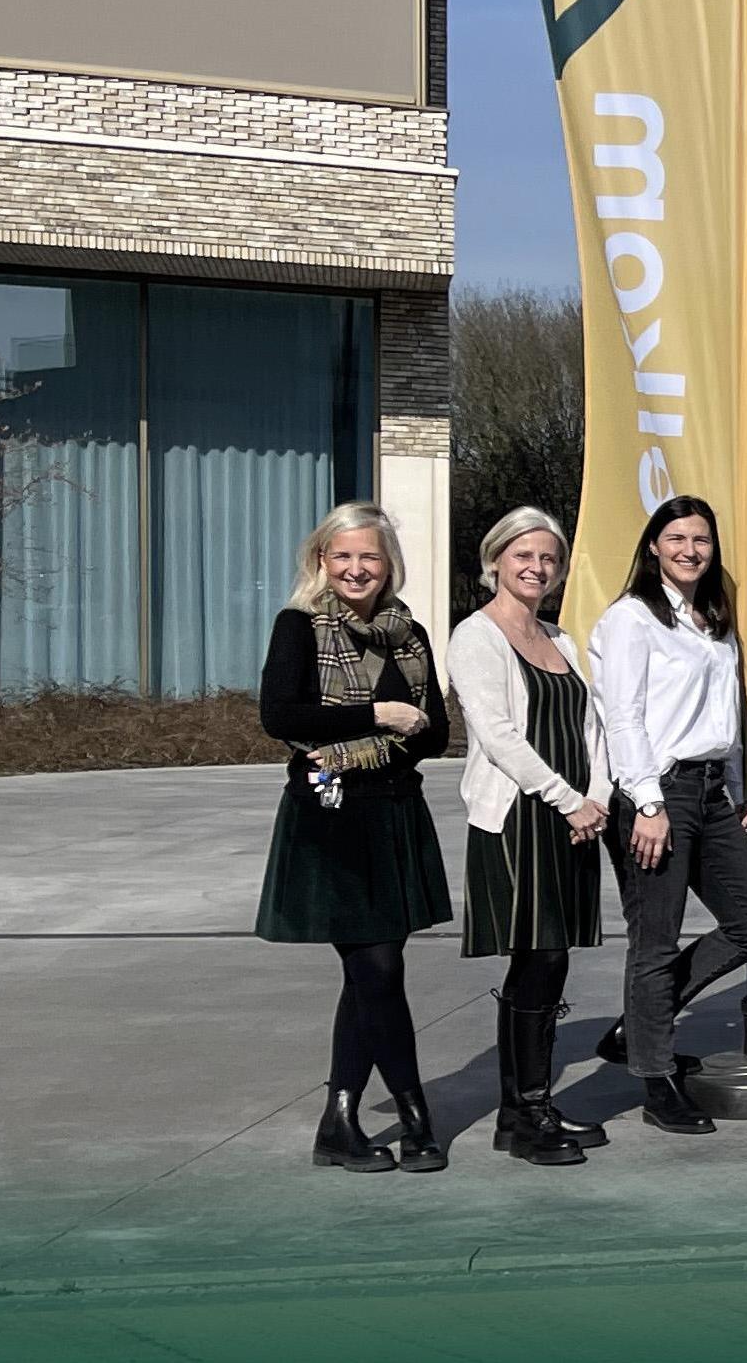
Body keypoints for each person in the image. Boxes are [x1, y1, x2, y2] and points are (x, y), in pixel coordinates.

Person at [255, 502, 455, 1173]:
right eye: (342, 555)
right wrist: (379, 715)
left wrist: (386, 736)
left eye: (369, 556)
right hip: (330, 812)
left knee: (368, 977)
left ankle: (338, 1122)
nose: (356, 568)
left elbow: (436, 732)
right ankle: (417, 1117)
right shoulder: (298, 625)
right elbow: (280, 715)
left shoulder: (409, 633)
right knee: (379, 971)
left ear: (388, 563)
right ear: (321, 561)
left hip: (394, 810)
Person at [589, 494, 747, 1135]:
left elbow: (724, 714)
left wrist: (738, 787)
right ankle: (656, 1078)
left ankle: (638, 1027)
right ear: (653, 546)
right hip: (657, 792)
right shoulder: (631, 619)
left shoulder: (713, 619)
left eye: (701, 540)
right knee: (655, 940)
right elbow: (623, 717)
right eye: (676, 539)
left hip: (709, 791)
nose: (690, 550)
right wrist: (646, 802)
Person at [449, 507, 608, 1167]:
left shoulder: (560, 638)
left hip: (575, 817)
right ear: (495, 561)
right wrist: (569, 800)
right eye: (523, 555)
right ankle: (522, 1114)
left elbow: (593, 726)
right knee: (535, 957)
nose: (536, 567)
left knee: (554, 959)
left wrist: (598, 796)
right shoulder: (475, 637)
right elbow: (498, 735)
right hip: (522, 815)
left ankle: (529, 1107)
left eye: (548, 558)